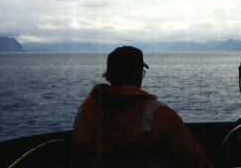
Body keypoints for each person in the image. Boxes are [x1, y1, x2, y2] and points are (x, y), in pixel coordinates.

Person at [73, 46, 214, 168]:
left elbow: (78, 157)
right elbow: (197, 163)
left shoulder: (86, 109)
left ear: (108, 76)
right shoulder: (160, 115)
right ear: (139, 75)